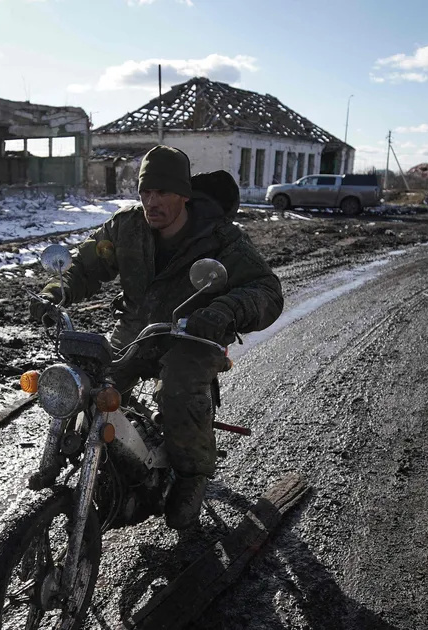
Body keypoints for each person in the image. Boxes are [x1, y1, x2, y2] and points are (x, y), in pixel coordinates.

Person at [30, 145, 284, 529]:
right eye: (145, 193)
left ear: (184, 194)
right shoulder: (126, 227)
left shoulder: (219, 238)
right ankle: (94, 460)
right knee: (90, 383)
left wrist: (223, 311)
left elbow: (267, 291)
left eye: (162, 192)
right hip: (138, 329)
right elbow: (86, 265)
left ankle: (191, 476)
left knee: (179, 389)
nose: (152, 202)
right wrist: (57, 291)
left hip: (194, 335)